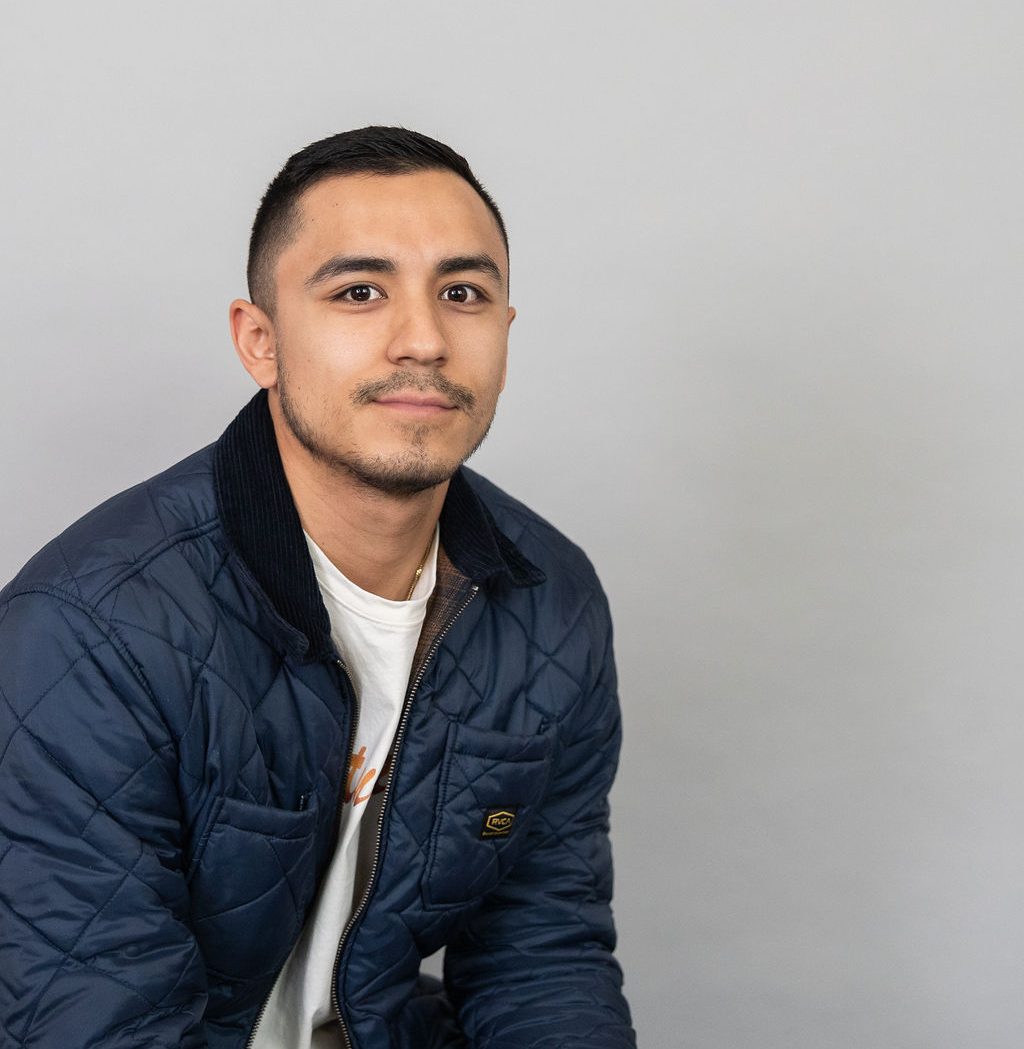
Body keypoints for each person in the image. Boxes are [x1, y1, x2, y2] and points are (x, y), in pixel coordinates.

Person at [0, 127, 635, 1049]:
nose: (423, 340)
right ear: (260, 341)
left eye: (462, 293)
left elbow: (541, 952)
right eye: (359, 292)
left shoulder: (549, 599)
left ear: (504, 327)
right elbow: (95, 1020)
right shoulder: (89, 632)